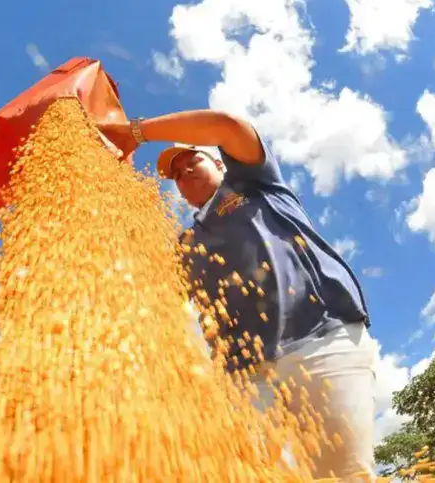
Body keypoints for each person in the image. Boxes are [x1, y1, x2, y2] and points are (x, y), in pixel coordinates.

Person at [98, 110, 377, 480]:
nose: (184, 174)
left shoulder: (255, 183)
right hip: (245, 379)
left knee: (344, 475)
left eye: (190, 161)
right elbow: (145, 288)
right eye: (176, 175)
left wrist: (137, 133)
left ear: (217, 161)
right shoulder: (186, 244)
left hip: (319, 341)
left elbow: (228, 128)